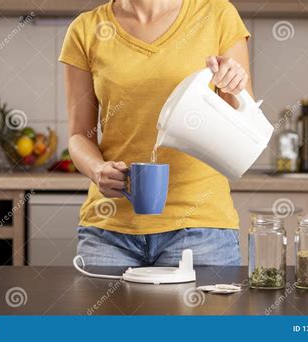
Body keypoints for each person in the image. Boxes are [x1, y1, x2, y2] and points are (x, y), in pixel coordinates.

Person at [59, 0, 252, 267]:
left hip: (201, 229)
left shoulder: (217, 14)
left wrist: (233, 83)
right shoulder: (86, 29)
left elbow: (242, 124)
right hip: (110, 232)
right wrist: (97, 169)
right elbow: (79, 135)